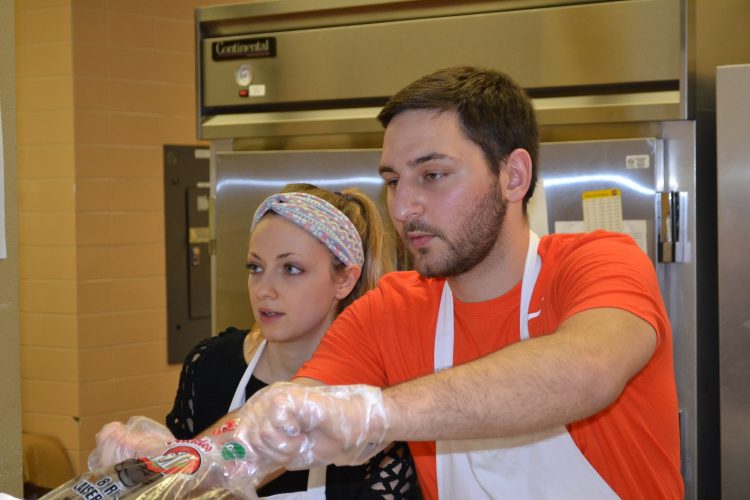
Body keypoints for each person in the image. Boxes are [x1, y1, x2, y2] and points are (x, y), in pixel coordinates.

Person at [93, 67, 683, 499]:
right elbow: (276, 427)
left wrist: (379, 413)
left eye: (433, 175)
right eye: (394, 181)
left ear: (514, 175)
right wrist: (168, 467)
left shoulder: (597, 263)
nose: (404, 209)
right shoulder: (392, 310)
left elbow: (586, 371)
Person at [90, 184, 421, 499]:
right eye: (255, 267)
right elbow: (178, 486)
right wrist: (142, 465)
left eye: (291, 269)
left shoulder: (369, 407)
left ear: (345, 279)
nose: (264, 289)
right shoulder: (209, 367)